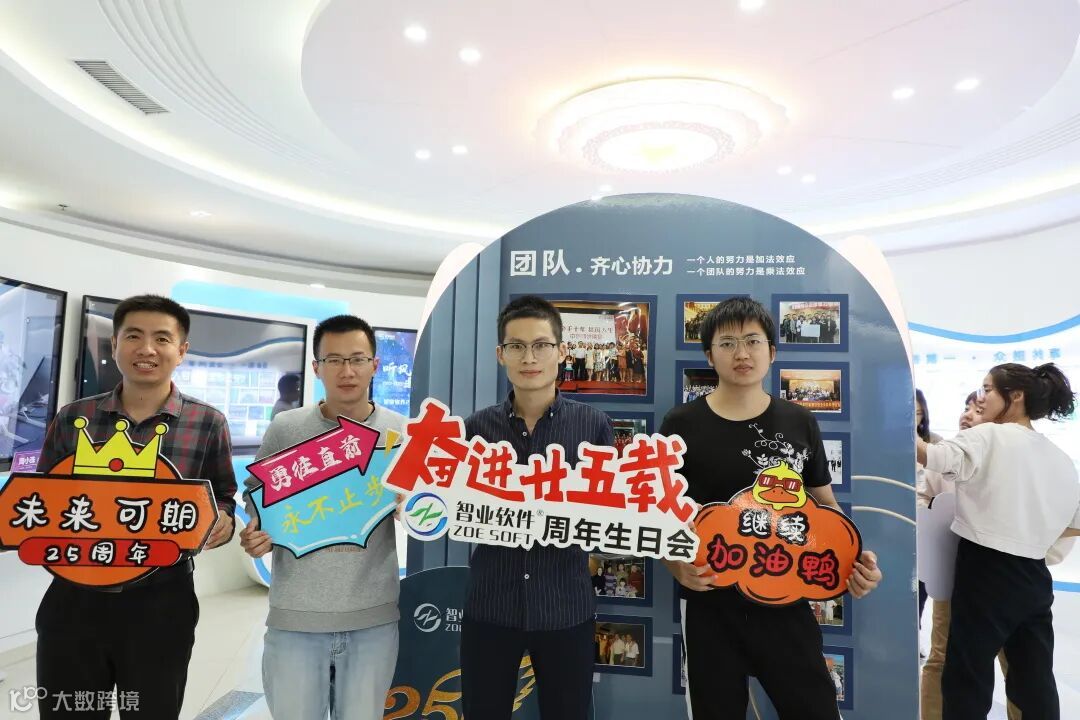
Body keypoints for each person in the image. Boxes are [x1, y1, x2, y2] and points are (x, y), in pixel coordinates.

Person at [661, 297, 882, 720]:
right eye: (727, 343)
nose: (741, 353)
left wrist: (854, 558)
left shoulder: (799, 421)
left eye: (752, 341)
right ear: (709, 355)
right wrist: (673, 562)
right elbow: (661, 510)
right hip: (710, 600)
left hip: (786, 598)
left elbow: (825, 505)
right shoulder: (681, 424)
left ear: (772, 352)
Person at [34, 294, 237, 720]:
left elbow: (222, 495)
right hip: (74, 599)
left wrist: (223, 521)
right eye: (133, 336)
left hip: (162, 601)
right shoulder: (73, 418)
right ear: (114, 345)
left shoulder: (207, 422)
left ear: (181, 350)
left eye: (162, 338)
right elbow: (41, 498)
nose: (147, 349)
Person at [239, 315, 406, 720]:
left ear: (375, 365)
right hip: (295, 617)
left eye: (357, 359)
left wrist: (412, 507)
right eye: (334, 360)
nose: (347, 371)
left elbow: (420, 505)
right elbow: (256, 496)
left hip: (372, 616)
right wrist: (256, 530)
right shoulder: (287, 428)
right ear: (316, 368)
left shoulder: (399, 432)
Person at [459, 295, 614, 720]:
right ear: (501, 354)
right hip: (491, 603)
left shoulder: (593, 425)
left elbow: (610, 514)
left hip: (565, 604)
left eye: (541, 345)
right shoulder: (475, 430)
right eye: (517, 346)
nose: (529, 358)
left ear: (562, 352)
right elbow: (451, 505)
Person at [918, 363, 1078, 719]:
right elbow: (1075, 522)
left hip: (984, 571)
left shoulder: (988, 436)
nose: (980, 398)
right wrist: (1031, 532)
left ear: (1015, 396)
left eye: (987, 389)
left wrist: (898, 422)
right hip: (1035, 576)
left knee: (967, 678)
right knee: (1034, 680)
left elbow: (932, 455)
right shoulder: (1060, 458)